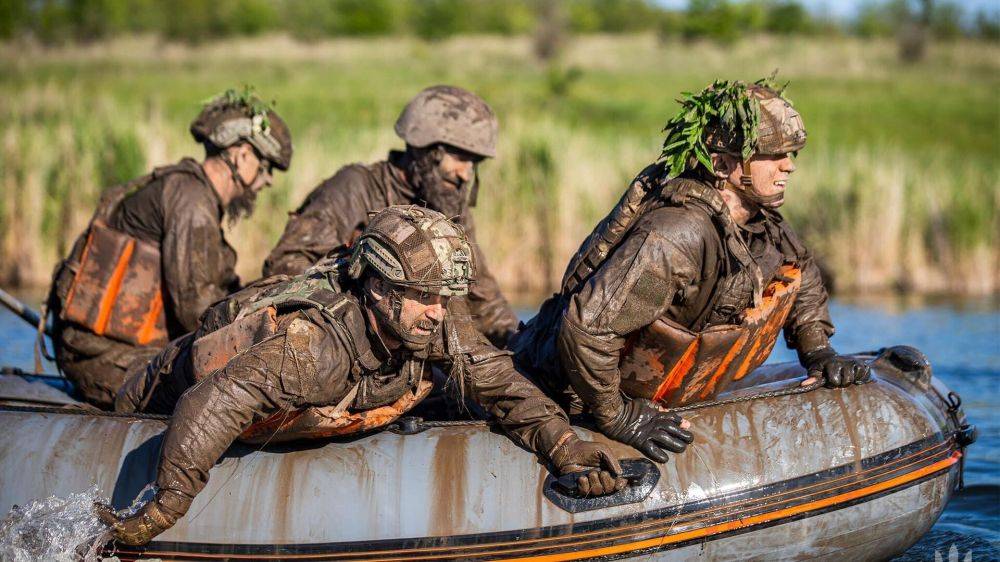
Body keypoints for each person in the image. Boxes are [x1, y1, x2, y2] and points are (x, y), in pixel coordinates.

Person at [98, 206, 623, 546]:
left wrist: (566, 449)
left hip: (282, 384)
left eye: (443, 299)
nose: (438, 313)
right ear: (378, 289)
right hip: (167, 380)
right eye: (423, 297)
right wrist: (167, 503)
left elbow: (505, 388)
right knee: (123, 405)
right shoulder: (315, 349)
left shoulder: (431, 327)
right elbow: (213, 401)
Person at [511, 78, 869, 464]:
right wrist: (619, 417)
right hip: (565, 395)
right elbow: (589, 328)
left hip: (655, 391)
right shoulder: (679, 234)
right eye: (773, 155)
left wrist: (818, 351)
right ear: (723, 165)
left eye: (792, 153)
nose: (789, 166)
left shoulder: (762, 225)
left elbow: (802, 275)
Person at [46, 88, 292, 409]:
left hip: (112, 350)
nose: (268, 181)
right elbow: (196, 313)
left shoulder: (192, 195)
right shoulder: (192, 202)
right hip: (103, 356)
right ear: (242, 155)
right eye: (265, 167)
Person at [262, 85, 517, 347]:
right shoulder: (355, 188)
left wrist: (518, 343)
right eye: (460, 157)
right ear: (427, 150)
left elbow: (485, 300)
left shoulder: (449, 209)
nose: (466, 173)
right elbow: (286, 265)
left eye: (474, 163)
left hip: (429, 349)